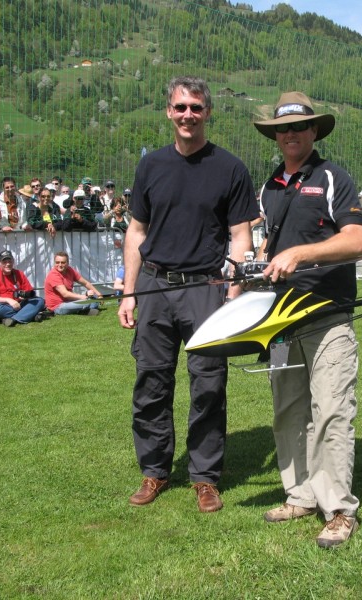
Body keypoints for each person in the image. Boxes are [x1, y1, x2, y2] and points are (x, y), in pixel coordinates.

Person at [117, 76, 257, 513]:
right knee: (151, 382)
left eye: (196, 107)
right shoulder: (151, 166)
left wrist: (234, 291)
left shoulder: (230, 168)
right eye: (180, 107)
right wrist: (129, 292)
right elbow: (136, 231)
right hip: (154, 287)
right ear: (169, 112)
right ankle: (154, 470)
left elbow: (241, 235)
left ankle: (205, 477)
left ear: (207, 112)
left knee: (209, 384)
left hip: (205, 289)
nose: (188, 115)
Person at [253, 91, 362, 548]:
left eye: (299, 126)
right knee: (287, 410)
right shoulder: (269, 187)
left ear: (314, 130)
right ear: (275, 136)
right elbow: (271, 245)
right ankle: (299, 495)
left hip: (327, 317)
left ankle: (339, 510)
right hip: (280, 322)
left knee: (332, 410)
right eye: (282, 128)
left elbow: (356, 241)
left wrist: (301, 254)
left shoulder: (333, 177)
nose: (290, 134)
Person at [0, 250, 45, 326]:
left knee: (39, 301)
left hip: (19, 305)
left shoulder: (19, 274)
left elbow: (30, 292)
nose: (8, 264)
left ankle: (13, 319)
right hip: (2, 306)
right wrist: (9, 300)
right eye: (4, 262)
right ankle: (28, 315)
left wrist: (25, 296)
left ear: (13, 261)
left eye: (10, 261)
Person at [44, 251, 102, 316]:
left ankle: (84, 310)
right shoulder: (53, 275)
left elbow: (85, 283)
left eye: (63, 262)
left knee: (94, 298)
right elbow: (65, 294)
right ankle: (85, 309)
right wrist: (83, 297)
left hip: (68, 301)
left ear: (68, 263)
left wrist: (99, 294)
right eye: (57, 262)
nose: (60, 265)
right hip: (57, 307)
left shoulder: (70, 270)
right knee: (88, 302)